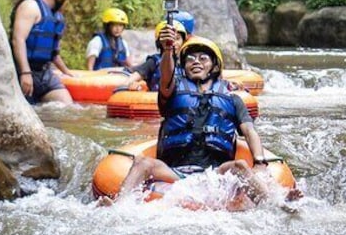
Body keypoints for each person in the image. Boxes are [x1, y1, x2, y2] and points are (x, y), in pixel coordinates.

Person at [111, 33, 286, 208]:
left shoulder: (233, 100)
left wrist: (260, 161)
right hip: (175, 173)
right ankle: (117, 206)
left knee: (239, 165)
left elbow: (249, 131)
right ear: (183, 67)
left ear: (214, 67)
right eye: (190, 59)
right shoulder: (171, 93)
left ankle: (276, 204)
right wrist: (167, 49)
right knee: (143, 162)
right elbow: (166, 77)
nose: (196, 62)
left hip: (215, 173)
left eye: (203, 58)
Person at [10, 0, 78, 104]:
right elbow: (18, 40)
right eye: (68, 0)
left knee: (66, 106)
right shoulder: (30, 7)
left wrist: (66, 71)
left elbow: (54, 53)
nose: (68, 5)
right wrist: (25, 73)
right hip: (22, 70)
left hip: (44, 73)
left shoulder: (56, 16)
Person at [123, 20, 187, 91]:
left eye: (177, 38)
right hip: (157, 99)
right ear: (159, 42)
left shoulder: (187, 62)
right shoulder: (153, 62)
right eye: (169, 40)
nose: (174, 43)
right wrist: (132, 85)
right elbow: (129, 81)